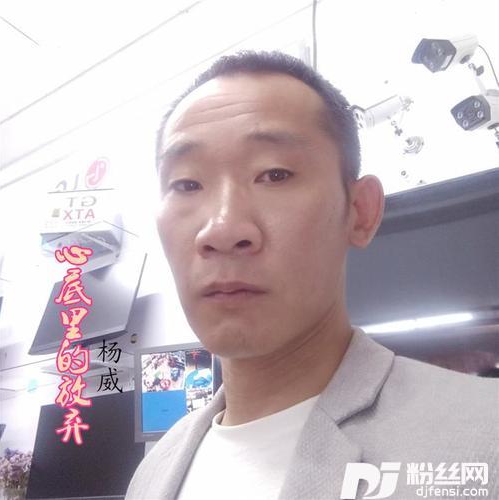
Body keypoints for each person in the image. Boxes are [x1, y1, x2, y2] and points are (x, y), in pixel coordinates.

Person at [126, 51, 498, 500]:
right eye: (187, 184)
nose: (221, 230)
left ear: (360, 211)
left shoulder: (483, 439)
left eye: (274, 174)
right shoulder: (151, 474)